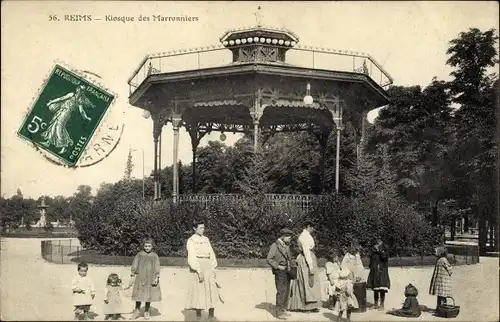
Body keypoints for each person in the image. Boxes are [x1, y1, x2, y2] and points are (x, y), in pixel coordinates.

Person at [186, 221, 220, 321]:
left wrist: (213, 267)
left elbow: (211, 253)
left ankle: (211, 315)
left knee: (211, 289)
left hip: (208, 265)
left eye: (204, 228)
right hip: (198, 267)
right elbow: (192, 257)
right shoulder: (191, 240)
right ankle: (198, 316)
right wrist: (198, 271)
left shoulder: (206, 239)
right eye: (201, 228)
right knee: (199, 291)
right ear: (194, 228)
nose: (203, 230)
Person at [288, 221, 322, 312]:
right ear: (308, 226)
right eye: (312, 227)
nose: (313, 229)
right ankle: (305, 306)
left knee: (311, 282)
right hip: (306, 260)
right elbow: (306, 252)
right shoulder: (304, 237)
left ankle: (312, 305)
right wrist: (310, 267)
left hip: (309, 257)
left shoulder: (307, 235)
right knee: (306, 281)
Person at [129, 238, 162, 320]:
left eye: (149, 246)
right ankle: (136, 311)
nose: (147, 248)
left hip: (150, 278)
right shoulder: (139, 254)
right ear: (143, 246)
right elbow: (135, 264)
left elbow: (157, 266)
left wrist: (157, 277)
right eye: (146, 246)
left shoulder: (154, 256)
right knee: (138, 295)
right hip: (140, 278)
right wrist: (133, 274)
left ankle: (146, 311)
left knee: (148, 294)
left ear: (152, 246)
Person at [267, 228, 295, 320]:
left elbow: (289, 258)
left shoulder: (286, 246)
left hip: (287, 270)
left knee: (286, 291)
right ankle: (279, 312)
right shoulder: (274, 245)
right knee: (281, 291)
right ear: (283, 236)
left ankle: (283, 309)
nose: (290, 238)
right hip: (280, 271)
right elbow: (269, 259)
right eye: (288, 237)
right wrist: (278, 266)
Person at [366, 238, 390, 310]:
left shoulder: (385, 247)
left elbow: (384, 257)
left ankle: (382, 305)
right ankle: (375, 304)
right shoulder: (374, 248)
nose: (377, 243)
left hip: (382, 270)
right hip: (374, 270)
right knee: (375, 287)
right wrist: (371, 266)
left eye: (378, 241)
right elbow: (371, 257)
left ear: (381, 241)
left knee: (382, 287)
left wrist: (379, 250)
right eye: (376, 242)